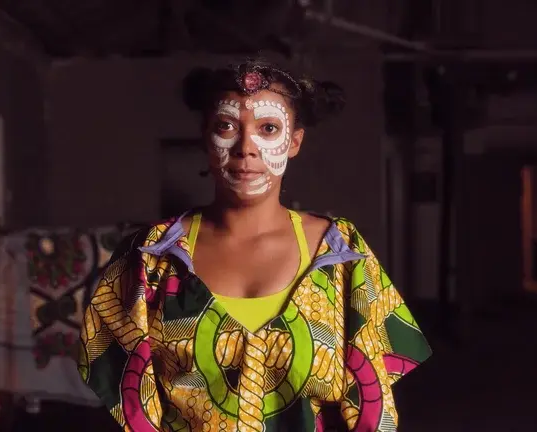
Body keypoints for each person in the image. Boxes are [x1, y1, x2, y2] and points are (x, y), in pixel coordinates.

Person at [78, 58, 431, 431]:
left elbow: (373, 407)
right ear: (205, 136)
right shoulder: (150, 256)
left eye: (268, 128)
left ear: (294, 142)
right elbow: (129, 398)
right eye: (227, 126)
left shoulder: (341, 256)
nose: (246, 147)